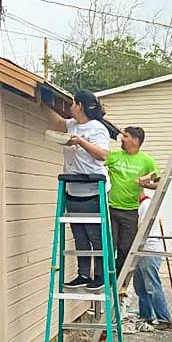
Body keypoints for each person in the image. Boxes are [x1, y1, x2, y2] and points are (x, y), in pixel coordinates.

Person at [45, 90, 118, 290]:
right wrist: (41, 103)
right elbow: (58, 122)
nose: (70, 107)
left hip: (94, 190)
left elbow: (103, 155)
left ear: (80, 106)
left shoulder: (97, 128)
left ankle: (101, 276)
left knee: (96, 236)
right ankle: (83, 274)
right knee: (80, 236)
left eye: (73, 103)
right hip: (73, 190)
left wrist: (81, 142)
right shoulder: (72, 125)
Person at [106, 126, 160, 277]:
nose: (122, 139)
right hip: (111, 208)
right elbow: (97, 165)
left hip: (130, 210)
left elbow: (159, 183)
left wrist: (146, 184)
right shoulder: (114, 156)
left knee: (125, 247)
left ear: (135, 140)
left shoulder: (147, 161)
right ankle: (106, 276)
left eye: (126, 136)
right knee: (110, 245)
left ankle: (119, 279)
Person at [133, 192, 172, 327]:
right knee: (140, 286)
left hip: (149, 249)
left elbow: (141, 227)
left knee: (152, 285)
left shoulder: (146, 204)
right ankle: (146, 316)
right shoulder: (140, 205)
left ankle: (164, 318)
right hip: (139, 250)